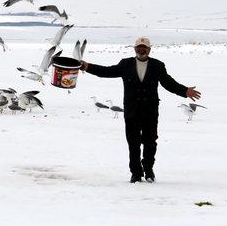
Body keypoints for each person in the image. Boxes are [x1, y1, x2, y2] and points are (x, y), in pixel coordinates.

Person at [80, 37, 201, 183]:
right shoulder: (126, 64)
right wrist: (88, 66)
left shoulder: (157, 65)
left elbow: (168, 83)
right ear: (135, 49)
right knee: (133, 143)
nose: (141, 50)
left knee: (150, 142)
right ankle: (136, 173)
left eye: (144, 47)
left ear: (149, 50)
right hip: (132, 111)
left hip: (150, 111)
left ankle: (148, 170)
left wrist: (185, 91)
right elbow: (107, 71)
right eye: (139, 47)